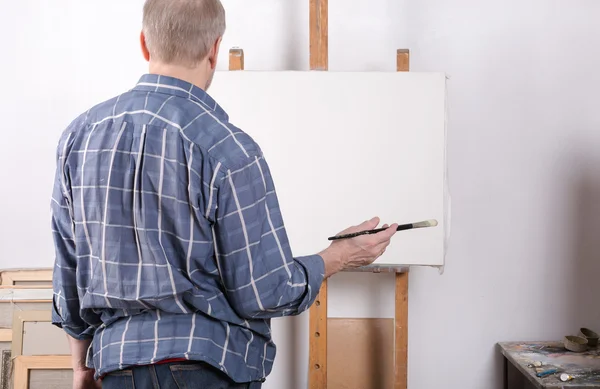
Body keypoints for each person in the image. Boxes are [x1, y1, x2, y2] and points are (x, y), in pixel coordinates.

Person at [49, 0, 398, 388]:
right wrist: (337, 257)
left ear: (145, 44)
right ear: (215, 50)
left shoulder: (79, 137)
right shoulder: (227, 148)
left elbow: (69, 269)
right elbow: (265, 292)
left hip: (115, 367)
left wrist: (80, 364)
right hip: (206, 367)